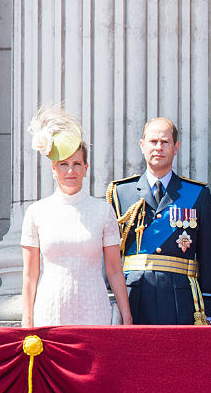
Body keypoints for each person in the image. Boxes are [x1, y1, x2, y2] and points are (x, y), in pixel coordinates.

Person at [20, 104, 133, 326]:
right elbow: (30, 275)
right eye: (63, 164)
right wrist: (27, 320)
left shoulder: (103, 210)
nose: (70, 171)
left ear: (85, 167)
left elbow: (114, 270)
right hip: (50, 312)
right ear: (53, 168)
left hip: (94, 311)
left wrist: (126, 316)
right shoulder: (36, 213)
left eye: (76, 164)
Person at [106, 118, 211, 325]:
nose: (159, 147)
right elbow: (109, 253)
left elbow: (208, 255)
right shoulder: (120, 193)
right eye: (153, 142)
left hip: (181, 298)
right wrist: (111, 301)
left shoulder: (197, 194)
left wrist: (208, 306)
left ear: (175, 147)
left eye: (165, 142)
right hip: (133, 295)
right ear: (142, 146)